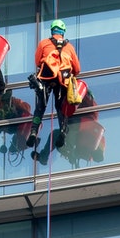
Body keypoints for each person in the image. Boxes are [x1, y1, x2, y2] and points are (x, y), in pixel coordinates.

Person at [26, 19, 83, 147]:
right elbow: (77, 69)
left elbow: (37, 62)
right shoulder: (69, 47)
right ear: (63, 32)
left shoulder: (44, 43)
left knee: (40, 107)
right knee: (60, 107)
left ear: (52, 31)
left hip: (47, 77)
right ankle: (63, 130)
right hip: (63, 79)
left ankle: (34, 131)